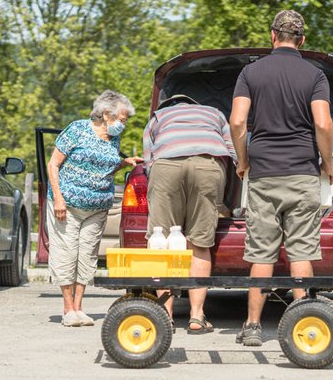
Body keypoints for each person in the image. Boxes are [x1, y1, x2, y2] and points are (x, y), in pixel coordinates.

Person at [229, 9, 333, 347]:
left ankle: (252, 326)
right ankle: (305, 329)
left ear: (272, 35)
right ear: (302, 40)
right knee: (301, 251)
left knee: (261, 253)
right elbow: (322, 124)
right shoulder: (315, 75)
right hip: (303, 171)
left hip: (263, 173)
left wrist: (243, 160)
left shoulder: (250, 72)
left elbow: (236, 123)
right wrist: (328, 162)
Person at [47, 90, 143, 327]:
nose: (124, 124)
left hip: (98, 206)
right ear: (106, 114)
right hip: (67, 205)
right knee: (67, 253)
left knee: (88, 256)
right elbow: (53, 164)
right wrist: (58, 198)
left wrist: (124, 163)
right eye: (122, 120)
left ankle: (79, 308)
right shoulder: (77, 129)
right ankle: (67, 309)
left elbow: (104, 170)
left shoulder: (114, 139)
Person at [143, 94, 237, 334]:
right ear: (195, 105)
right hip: (207, 165)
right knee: (199, 242)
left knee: (160, 241)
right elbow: (232, 151)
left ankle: (165, 316)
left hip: (166, 165)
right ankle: (197, 316)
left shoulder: (158, 116)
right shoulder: (214, 112)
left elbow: (148, 159)